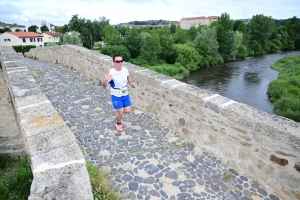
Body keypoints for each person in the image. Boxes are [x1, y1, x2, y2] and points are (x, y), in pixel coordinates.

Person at [102, 54, 135, 132]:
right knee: (120, 111)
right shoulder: (111, 72)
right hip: (116, 95)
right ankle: (118, 123)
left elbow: (128, 76)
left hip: (125, 93)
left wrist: (131, 83)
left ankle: (118, 114)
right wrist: (106, 79)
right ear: (114, 62)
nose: (120, 63)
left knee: (128, 111)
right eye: (117, 61)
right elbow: (104, 86)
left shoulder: (125, 70)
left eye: (121, 61)